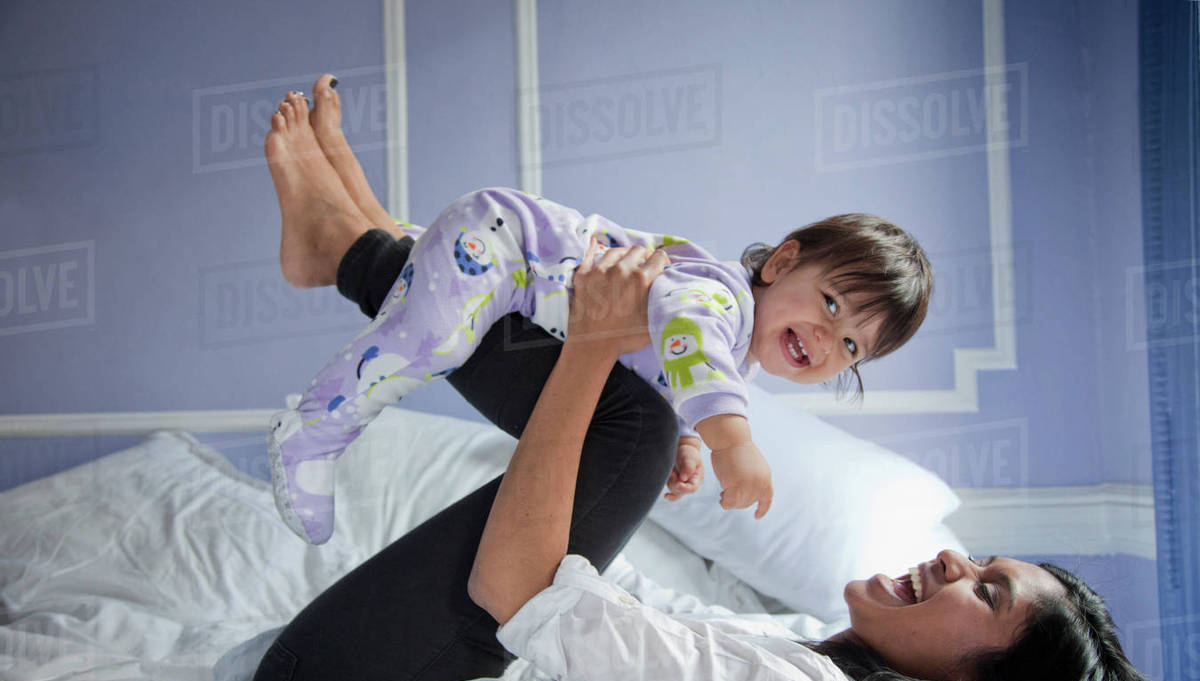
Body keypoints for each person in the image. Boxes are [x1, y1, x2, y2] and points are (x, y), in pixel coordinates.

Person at [246, 78, 1171, 681]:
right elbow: (653, 623)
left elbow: (520, 596)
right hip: (372, 676)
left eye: (988, 593)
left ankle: (358, 252)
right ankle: (365, 243)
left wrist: (602, 358)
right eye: (983, 561)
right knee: (644, 421)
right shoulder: (811, 654)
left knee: (636, 426)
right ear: (789, 261)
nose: (953, 560)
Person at [264, 81, 934, 546]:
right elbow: (683, 329)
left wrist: (690, 442)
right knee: (429, 342)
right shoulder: (721, 301)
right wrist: (733, 442)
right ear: (783, 263)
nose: (826, 339)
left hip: (507, 262)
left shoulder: (737, 354)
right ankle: (314, 430)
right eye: (830, 304)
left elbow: (674, 374)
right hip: (507, 247)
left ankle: (345, 196)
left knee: (416, 281)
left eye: (850, 348)